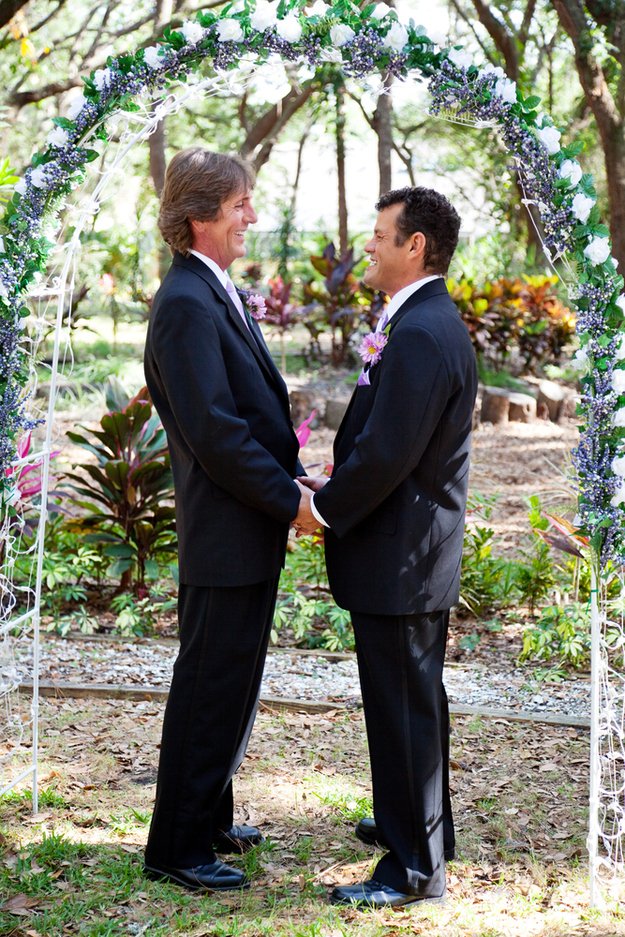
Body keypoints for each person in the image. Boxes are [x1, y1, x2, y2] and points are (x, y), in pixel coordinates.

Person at [296, 186, 477, 909]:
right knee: (412, 700)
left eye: (379, 234)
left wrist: (321, 509)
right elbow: (387, 442)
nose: (367, 245)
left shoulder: (424, 332)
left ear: (415, 245)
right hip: (407, 548)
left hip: (402, 556)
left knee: (402, 704)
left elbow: (389, 455)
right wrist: (336, 479)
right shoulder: (418, 321)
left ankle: (412, 870)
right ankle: (422, 827)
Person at [143, 147, 311, 892]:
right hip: (224, 528)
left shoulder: (210, 289)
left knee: (231, 681)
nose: (251, 215)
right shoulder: (184, 302)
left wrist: (292, 479)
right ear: (200, 215)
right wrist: (290, 500)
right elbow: (215, 433)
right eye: (240, 203)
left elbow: (247, 413)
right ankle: (176, 847)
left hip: (244, 525)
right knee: (210, 687)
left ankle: (210, 817)